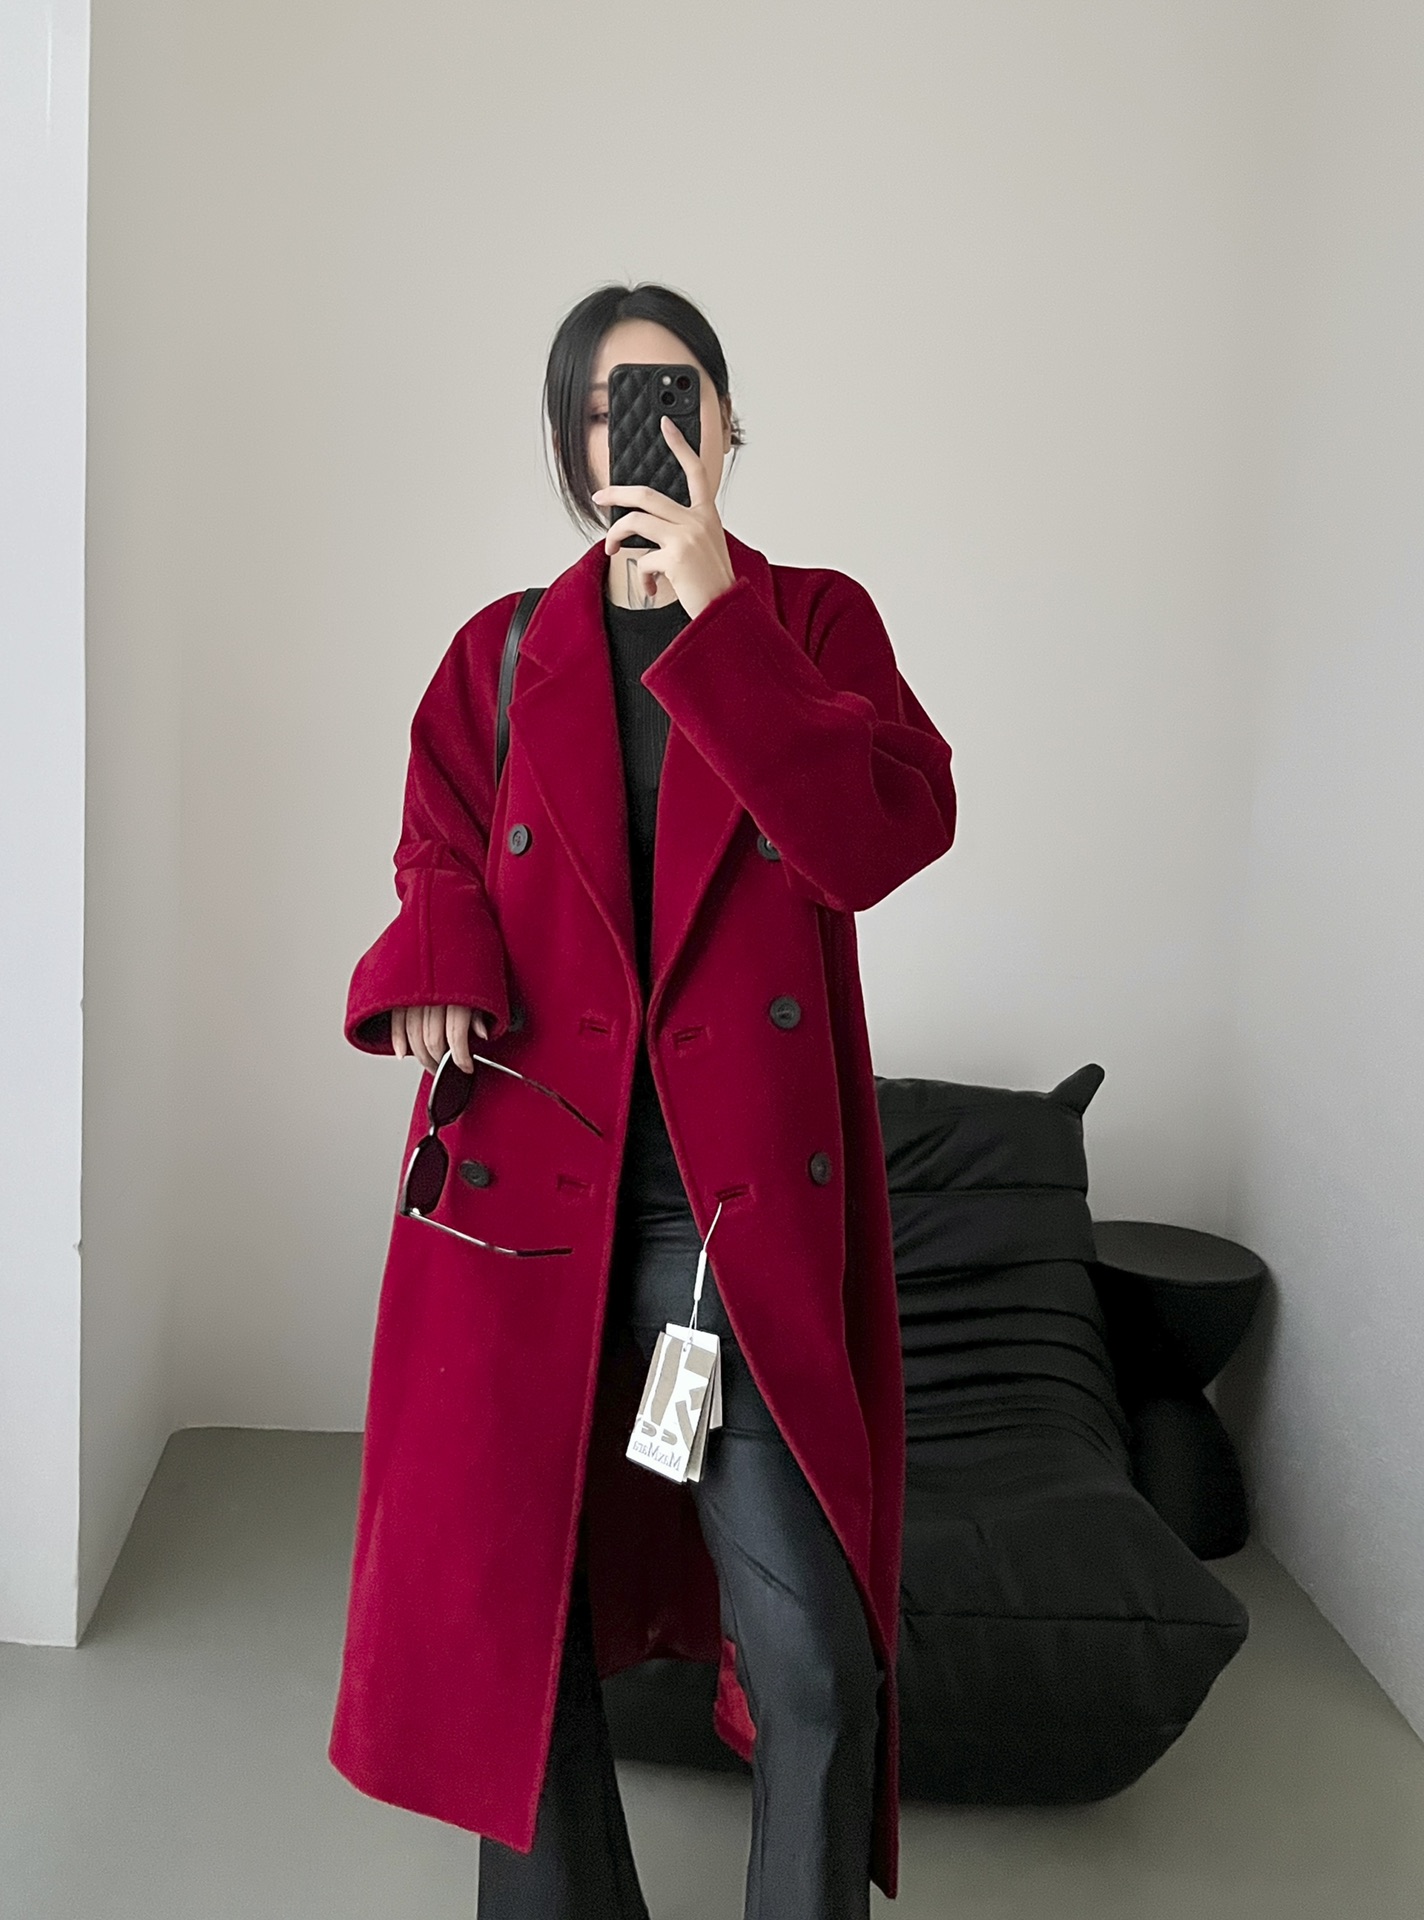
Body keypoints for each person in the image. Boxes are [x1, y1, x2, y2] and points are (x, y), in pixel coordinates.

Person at [329, 282, 957, 1920]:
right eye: (614, 408)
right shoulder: (501, 650)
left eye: (680, 397)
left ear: (730, 424)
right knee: (518, 1634)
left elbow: (878, 838)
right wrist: (442, 961)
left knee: (813, 1649)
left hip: (722, 1209)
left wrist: (720, 621)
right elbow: (438, 843)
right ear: (569, 447)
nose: (651, 433)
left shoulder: (812, 624)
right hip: (527, 1183)